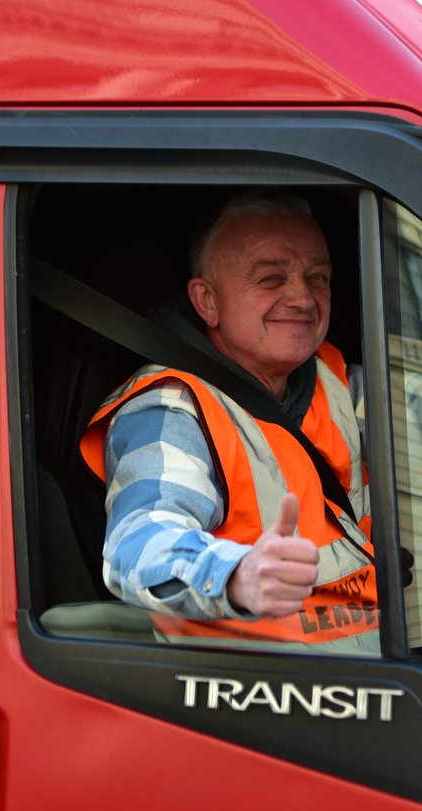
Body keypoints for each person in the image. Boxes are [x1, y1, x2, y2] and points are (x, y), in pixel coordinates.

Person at [78, 191, 382, 653]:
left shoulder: (336, 379)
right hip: (253, 689)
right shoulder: (172, 408)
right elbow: (139, 544)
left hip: (385, 679)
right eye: (271, 278)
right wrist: (237, 575)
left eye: (317, 277)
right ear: (207, 302)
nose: (303, 297)